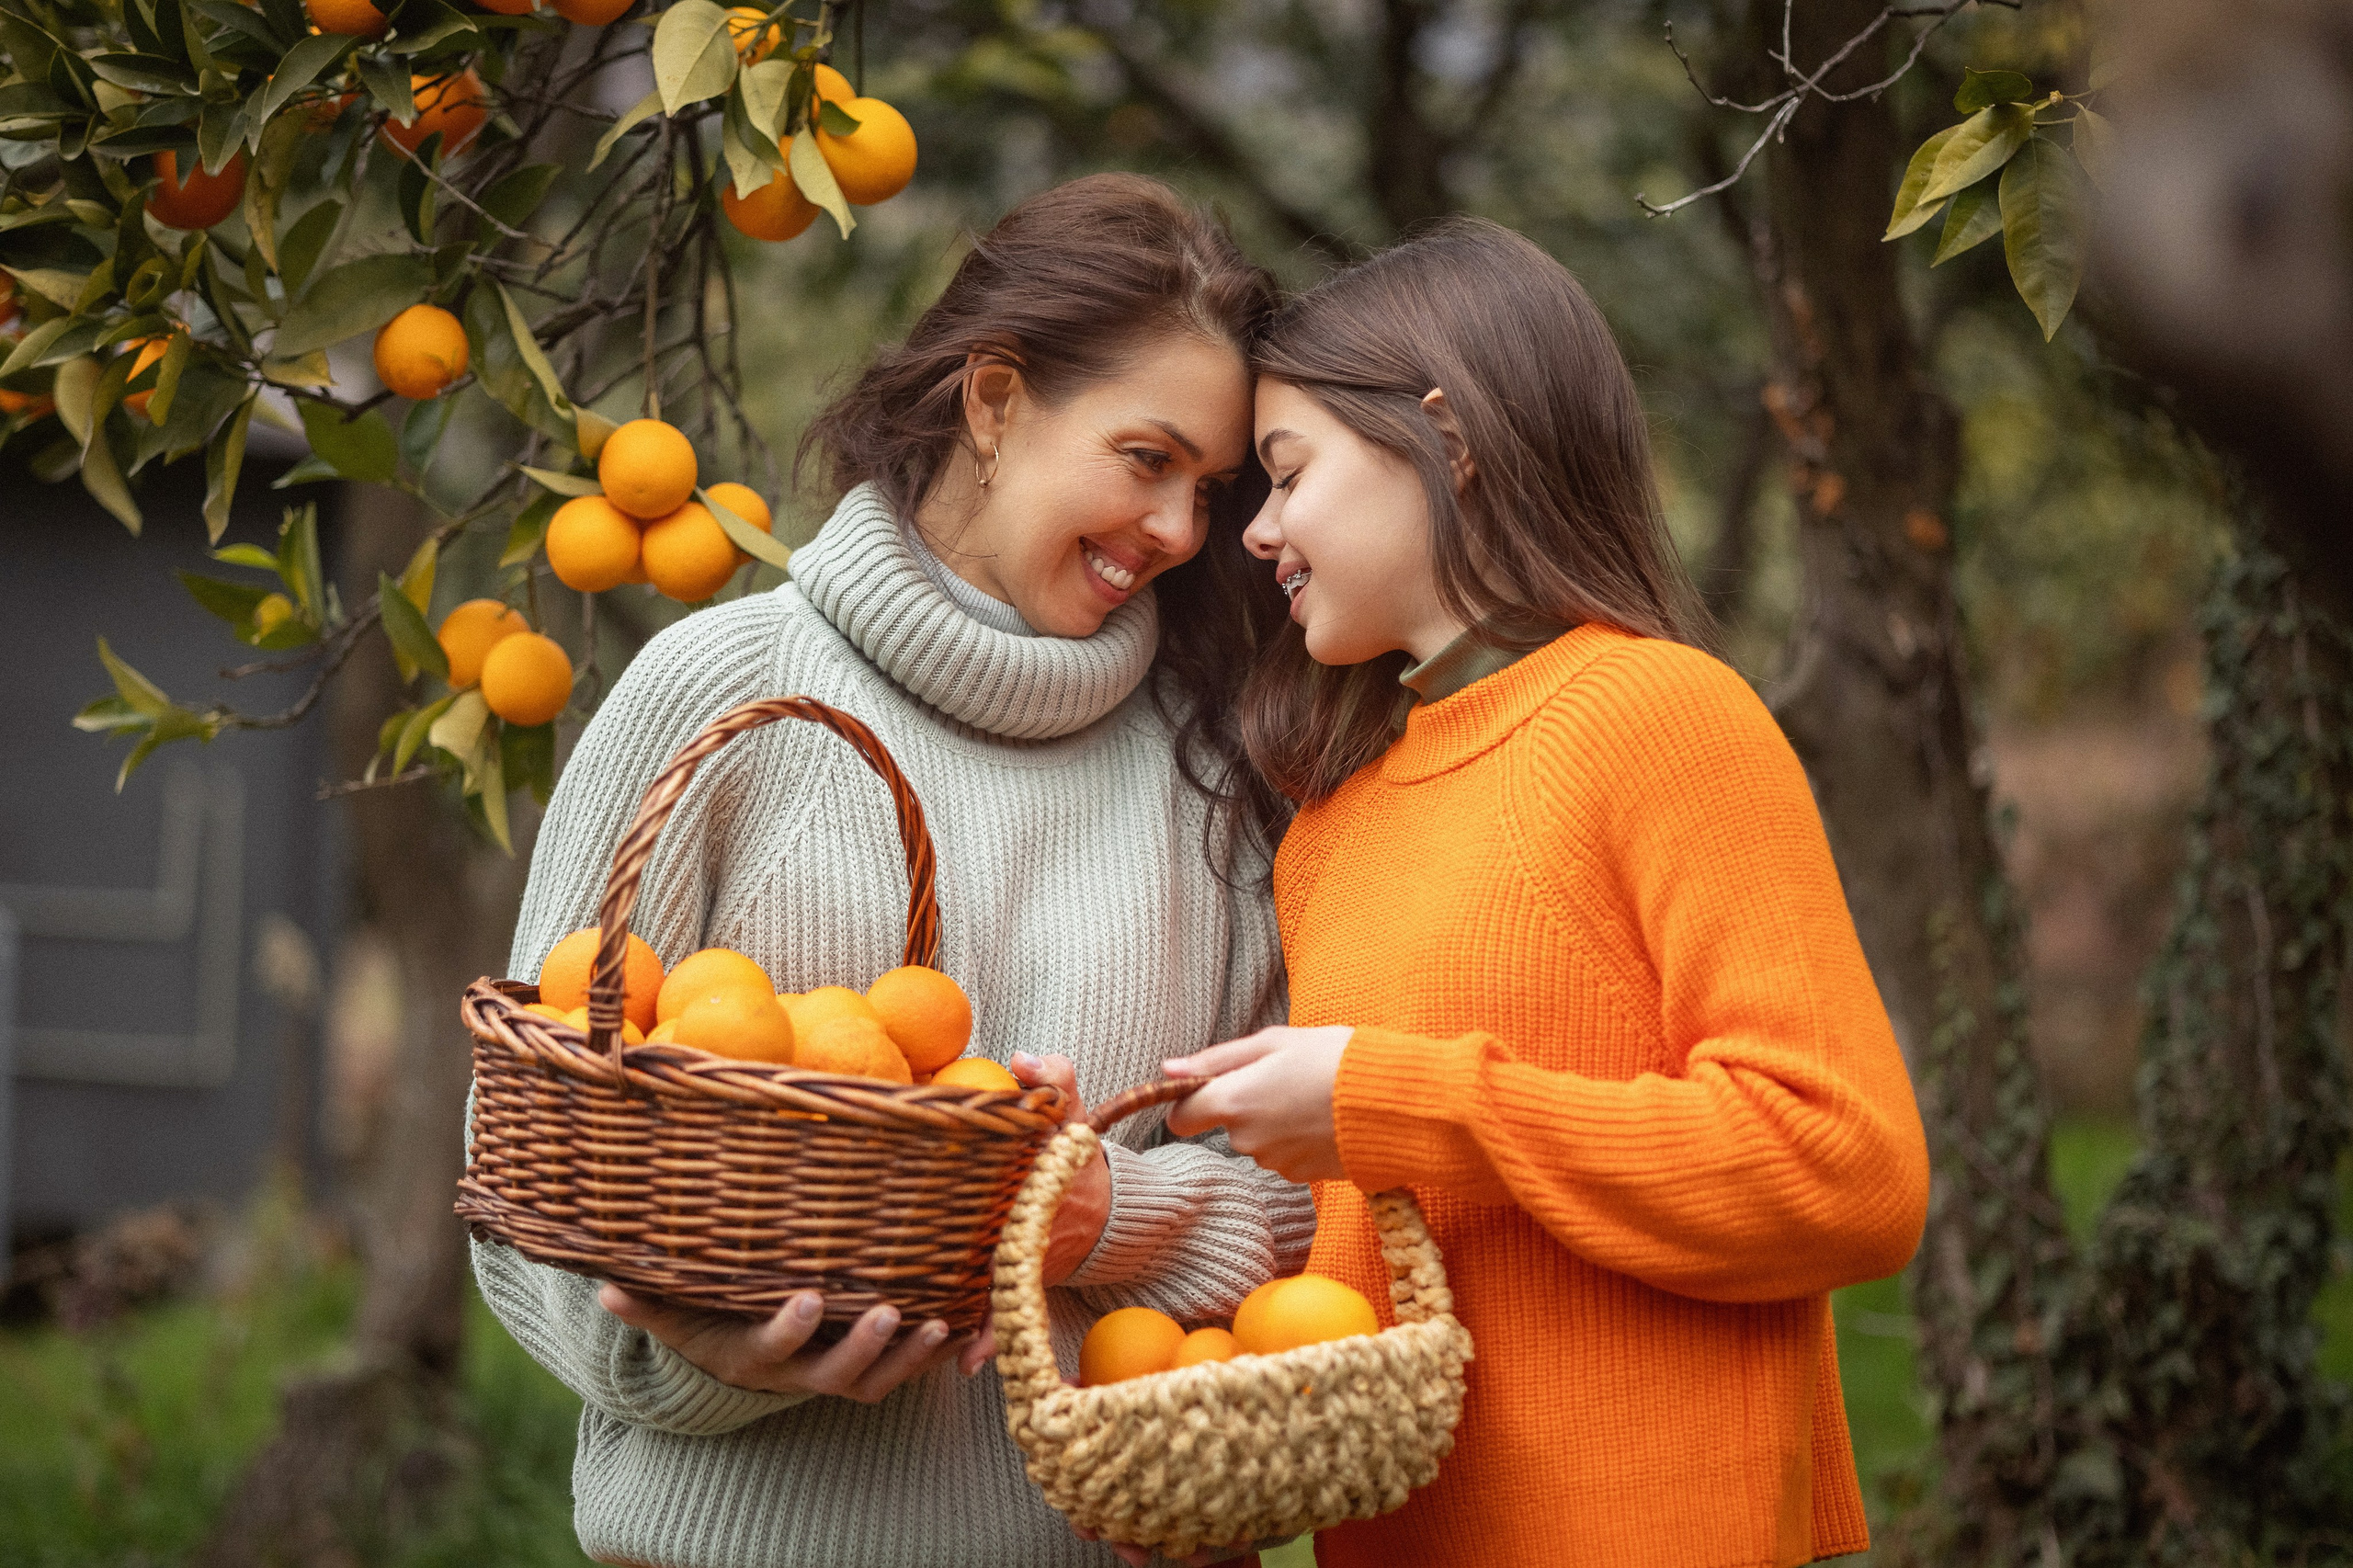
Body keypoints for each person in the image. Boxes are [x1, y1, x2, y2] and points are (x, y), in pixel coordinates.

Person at [473, 174, 1313, 1568]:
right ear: (993, 402)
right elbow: (528, 1169)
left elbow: (1304, 1200)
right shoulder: (723, 692)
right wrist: (715, 1356)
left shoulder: (1216, 772)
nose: (1179, 531)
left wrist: (1102, 1214)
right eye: (1147, 459)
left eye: (1213, 490)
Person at [1164, 219, 1930, 1567]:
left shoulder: (1660, 714)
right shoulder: (1330, 827)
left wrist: (1403, 1101)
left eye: (1287, 476)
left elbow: (1846, 1169)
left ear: (1446, 436)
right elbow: (1390, 1256)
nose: (1261, 533)